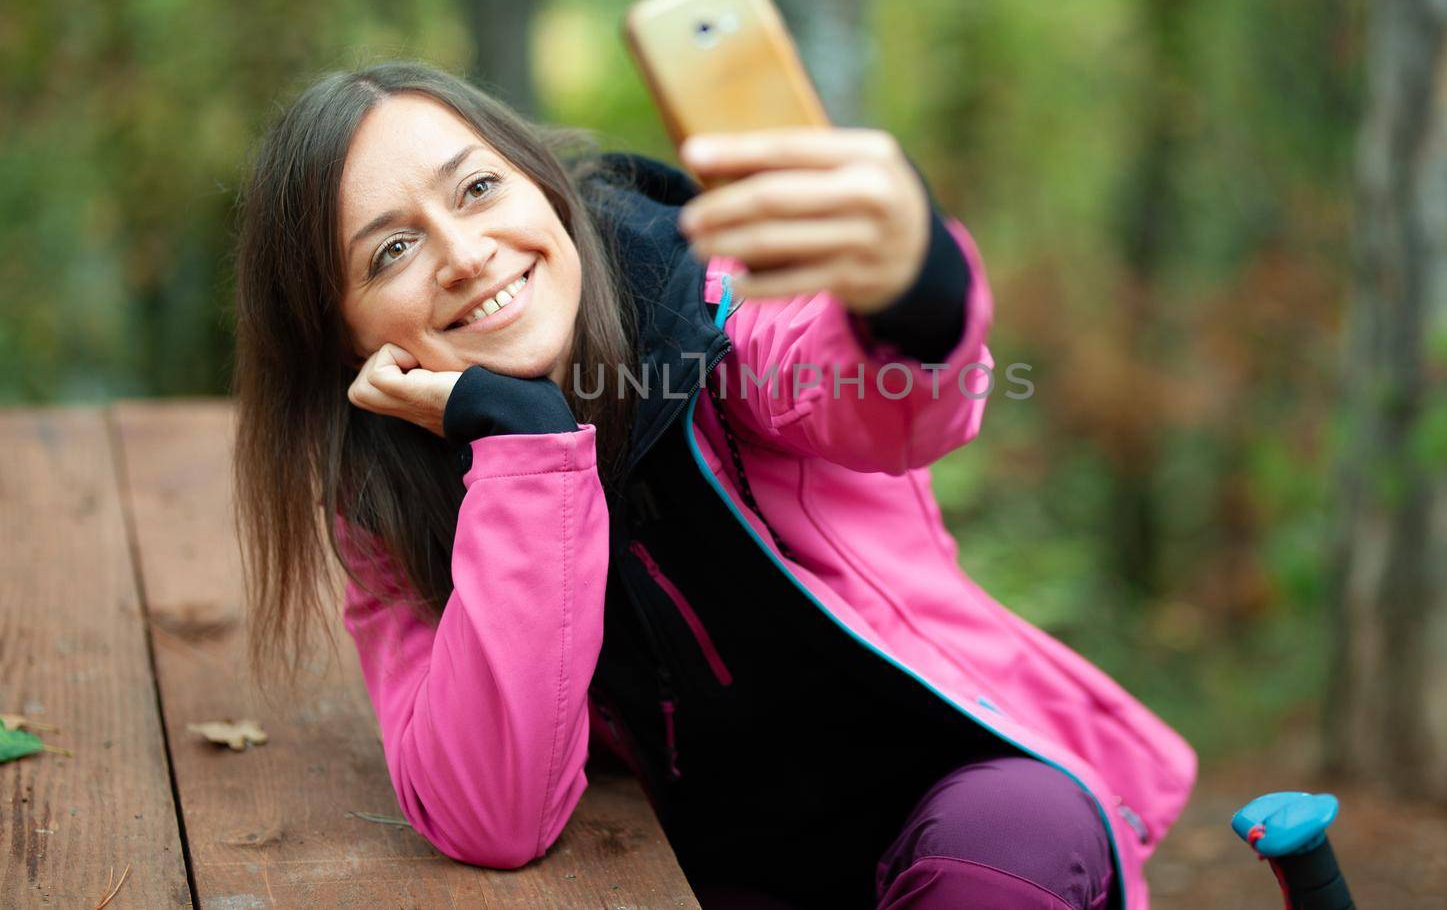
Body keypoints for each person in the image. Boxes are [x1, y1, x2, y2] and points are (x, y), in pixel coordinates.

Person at [231, 60, 1196, 910]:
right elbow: (493, 811)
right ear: (344, 333)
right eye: (390, 250)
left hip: (964, 800)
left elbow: (876, 396)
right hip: (717, 868)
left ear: (544, 188)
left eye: (479, 187)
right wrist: (523, 446)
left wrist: (917, 285)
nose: (465, 251)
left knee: (1001, 851)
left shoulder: (702, 305)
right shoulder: (389, 495)